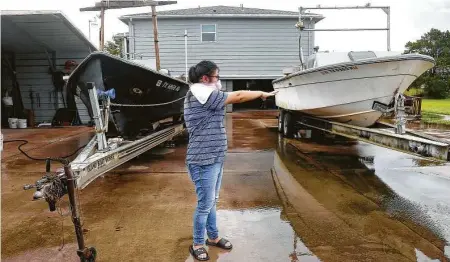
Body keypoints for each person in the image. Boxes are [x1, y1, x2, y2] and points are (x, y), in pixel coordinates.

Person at [184, 60, 277, 261]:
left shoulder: (207, 92)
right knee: (204, 204)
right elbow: (239, 96)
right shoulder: (201, 94)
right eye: (217, 77)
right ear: (205, 78)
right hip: (202, 159)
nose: (220, 80)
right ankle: (198, 243)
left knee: (212, 201)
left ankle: (214, 237)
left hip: (215, 157)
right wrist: (261, 93)